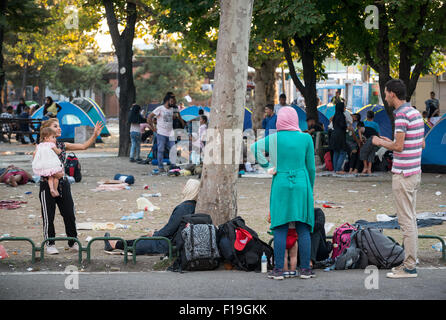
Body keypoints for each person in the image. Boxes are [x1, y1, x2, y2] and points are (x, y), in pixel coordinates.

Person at [251, 107, 316, 280]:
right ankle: (305, 270)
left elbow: (254, 148)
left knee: (280, 227)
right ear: (295, 120)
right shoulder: (306, 138)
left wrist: (267, 167)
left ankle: (279, 270)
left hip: (280, 183)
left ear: (280, 120)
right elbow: (311, 167)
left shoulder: (274, 138)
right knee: (303, 228)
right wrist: (310, 188)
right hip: (302, 184)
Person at [372, 79, 424, 279]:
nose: (384, 96)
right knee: (411, 219)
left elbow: (401, 147)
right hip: (414, 173)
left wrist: (379, 142)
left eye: (385, 93)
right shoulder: (415, 113)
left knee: (406, 221)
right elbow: (420, 143)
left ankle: (409, 266)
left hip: (403, 174)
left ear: (392, 93)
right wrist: (390, 142)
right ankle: (410, 262)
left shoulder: (401, 115)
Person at [38, 118, 103, 255]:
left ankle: (73, 242)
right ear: (47, 130)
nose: (59, 128)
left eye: (59, 126)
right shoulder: (43, 147)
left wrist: (95, 135)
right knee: (48, 216)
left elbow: (84, 146)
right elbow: (37, 165)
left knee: (69, 214)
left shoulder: (62, 145)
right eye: (56, 126)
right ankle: (50, 243)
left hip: (63, 184)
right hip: (47, 184)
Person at [103, 179, 200, 255]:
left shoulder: (184, 208)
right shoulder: (195, 206)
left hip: (171, 243)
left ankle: (113, 244)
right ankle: (114, 243)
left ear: (189, 189)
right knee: (144, 239)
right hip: (178, 240)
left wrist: (155, 234)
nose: (183, 188)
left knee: (143, 242)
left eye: (185, 186)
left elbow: (169, 230)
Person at [147, 93, 177, 173]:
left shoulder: (172, 109)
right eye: (172, 101)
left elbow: (172, 118)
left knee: (173, 149)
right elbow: (150, 116)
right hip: (161, 133)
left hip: (170, 133)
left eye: (174, 101)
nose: (173, 102)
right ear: (167, 100)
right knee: (161, 150)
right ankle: (160, 167)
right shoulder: (160, 108)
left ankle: (173, 166)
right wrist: (153, 128)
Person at [32, 127, 65, 197]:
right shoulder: (51, 144)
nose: (55, 139)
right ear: (46, 138)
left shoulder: (39, 146)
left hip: (44, 165)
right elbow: (57, 152)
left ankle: (51, 188)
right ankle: (55, 189)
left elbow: (35, 155)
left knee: (50, 177)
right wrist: (60, 150)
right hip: (52, 164)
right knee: (56, 178)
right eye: (53, 137)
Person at [329, 102, 348, 174]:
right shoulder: (342, 116)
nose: (344, 108)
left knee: (336, 152)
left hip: (334, 134)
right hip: (340, 135)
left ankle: (335, 169)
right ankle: (338, 169)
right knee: (342, 152)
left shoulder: (335, 116)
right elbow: (343, 126)